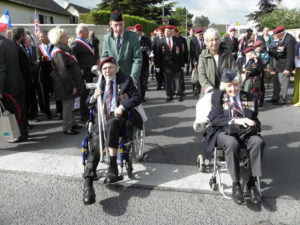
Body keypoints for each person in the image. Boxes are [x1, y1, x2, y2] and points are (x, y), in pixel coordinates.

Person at [82, 56, 142, 205]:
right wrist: (94, 97)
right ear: (101, 71)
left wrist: (122, 107)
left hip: (119, 120)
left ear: (116, 69)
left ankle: (113, 168)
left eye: (110, 68)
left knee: (113, 123)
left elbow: (136, 98)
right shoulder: (99, 83)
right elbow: (87, 103)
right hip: (101, 121)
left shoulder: (125, 80)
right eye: (104, 69)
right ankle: (88, 184)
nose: (107, 71)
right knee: (95, 143)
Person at [205, 68, 264, 205]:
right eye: (229, 85)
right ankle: (236, 184)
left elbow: (256, 120)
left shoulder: (250, 97)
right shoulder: (218, 97)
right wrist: (235, 120)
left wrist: (254, 125)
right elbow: (214, 119)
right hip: (224, 133)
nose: (233, 88)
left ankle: (251, 182)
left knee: (257, 142)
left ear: (241, 83)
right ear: (224, 86)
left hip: (246, 133)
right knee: (232, 144)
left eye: (236, 84)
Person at [49, 27, 84, 135]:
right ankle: (67, 127)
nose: (67, 37)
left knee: (71, 104)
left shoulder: (63, 49)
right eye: (64, 36)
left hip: (68, 83)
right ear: (59, 39)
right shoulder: (58, 52)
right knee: (68, 106)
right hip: (65, 84)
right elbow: (63, 71)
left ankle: (72, 123)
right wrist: (72, 86)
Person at [0, 30, 28, 143]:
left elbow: (1, 69)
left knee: (13, 111)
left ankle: (20, 134)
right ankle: (23, 132)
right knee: (20, 109)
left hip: (8, 86)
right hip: (18, 82)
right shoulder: (10, 43)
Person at [101, 10, 142, 85]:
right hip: (112, 78)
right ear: (111, 24)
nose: (119, 28)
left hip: (130, 77)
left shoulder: (132, 37)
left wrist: (133, 77)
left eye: (121, 25)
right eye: (116, 25)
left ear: (124, 23)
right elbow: (104, 57)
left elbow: (137, 59)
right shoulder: (107, 38)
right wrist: (106, 73)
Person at [198, 28, 239, 98]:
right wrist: (208, 88)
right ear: (206, 42)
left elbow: (235, 70)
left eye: (216, 39)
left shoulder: (227, 53)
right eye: (211, 40)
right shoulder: (203, 56)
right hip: (208, 93)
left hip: (225, 92)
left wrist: (232, 83)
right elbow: (201, 75)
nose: (214, 43)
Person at [71, 24, 96, 122]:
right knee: (84, 95)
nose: (88, 32)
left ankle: (89, 112)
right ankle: (84, 116)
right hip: (84, 73)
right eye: (86, 31)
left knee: (89, 93)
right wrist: (79, 68)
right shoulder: (76, 44)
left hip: (90, 72)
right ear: (80, 32)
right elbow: (73, 59)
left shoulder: (86, 42)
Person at [267, 26, 296, 105]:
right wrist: (270, 53)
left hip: (285, 65)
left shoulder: (289, 39)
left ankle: (282, 99)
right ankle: (275, 97)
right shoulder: (281, 38)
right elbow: (279, 52)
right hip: (279, 64)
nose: (273, 36)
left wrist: (287, 68)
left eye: (275, 34)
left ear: (281, 33)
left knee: (283, 83)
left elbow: (290, 56)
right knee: (276, 82)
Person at [155, 25, 184, 102]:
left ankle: (178, 94)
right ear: (164, 32)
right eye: (166, 31)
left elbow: (181, 53)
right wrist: (157, 66)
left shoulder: (177, 40)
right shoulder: (160, 41)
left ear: (172, 32)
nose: (167, 32)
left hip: (176, 64)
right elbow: (158, 55)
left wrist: (182, 64)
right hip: (166, 65)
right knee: (167, 81)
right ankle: (169, 95)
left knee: (177, 80)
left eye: (169, 31)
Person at [12, 27, 33, 131]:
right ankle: (22, 128)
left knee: (25, 105)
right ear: (21, 36)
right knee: (21, 107)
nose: (25, 36)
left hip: (26, 81)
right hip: (20, 82)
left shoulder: (20, 45)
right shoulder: (14, 47)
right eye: (24, 34)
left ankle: (25, 124)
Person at [37, 30, 54, 119]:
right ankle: (47, 112)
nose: (40, 39)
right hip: (44, 74)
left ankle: (60, 110)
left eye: (42, 36)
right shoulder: (39, 47)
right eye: (39, 37)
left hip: (55, 73)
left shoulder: (54, 45)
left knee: (56, 93)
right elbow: (39, 61)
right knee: (45, 94)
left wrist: (53, 69)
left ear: (47, 37)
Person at [24, 35, 40, 122]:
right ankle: (30, 114)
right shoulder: (22, 50)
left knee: (34, 97)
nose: (25, 42)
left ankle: (35, 114)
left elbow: (37, 60)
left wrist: (36, 64)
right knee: (29, 98)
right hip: (27, 78)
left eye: (26, 41)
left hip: (35, 76)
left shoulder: (35, 48)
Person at [134, 24, 151, 102]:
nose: (136, 32)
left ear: (141, 32)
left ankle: (142, 97)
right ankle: (135, 96)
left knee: (143, 81)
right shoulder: (131, 39)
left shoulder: (146, 40)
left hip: (144, 64)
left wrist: (149, 53)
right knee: (134, 80)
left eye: (137, 31)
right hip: (133, 64)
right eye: (135, 31)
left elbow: (148, 49)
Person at [254, 40, 270, 107]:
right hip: (254, 71)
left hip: (261, 71)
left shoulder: (264, 53)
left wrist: (264, 62)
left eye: (260, 46)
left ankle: (261, 101)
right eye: (257, 47)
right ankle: (254, 100)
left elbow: (268, 60)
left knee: (261, 86)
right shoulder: (253, 53)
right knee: (254, 86)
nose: (259, 48)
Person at [190, 27, 205, 96]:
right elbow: (192, 53)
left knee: (202, 75)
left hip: (204, 61)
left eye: (202, 34)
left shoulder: (205, 40)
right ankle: (195, 90)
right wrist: (194, 62)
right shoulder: (193, 40)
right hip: (196, 61)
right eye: (200, 35)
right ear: (197, 34)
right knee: (195, 76)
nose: (201, 36)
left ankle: (200, 89)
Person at [291, 33, 300, 106]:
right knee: (297, 83)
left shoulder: (297, 45)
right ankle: (296, 98)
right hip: (298, 67)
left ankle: (297, 99)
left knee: (297, 83)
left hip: (298, 66)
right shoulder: (297, 45)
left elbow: (297, 56)